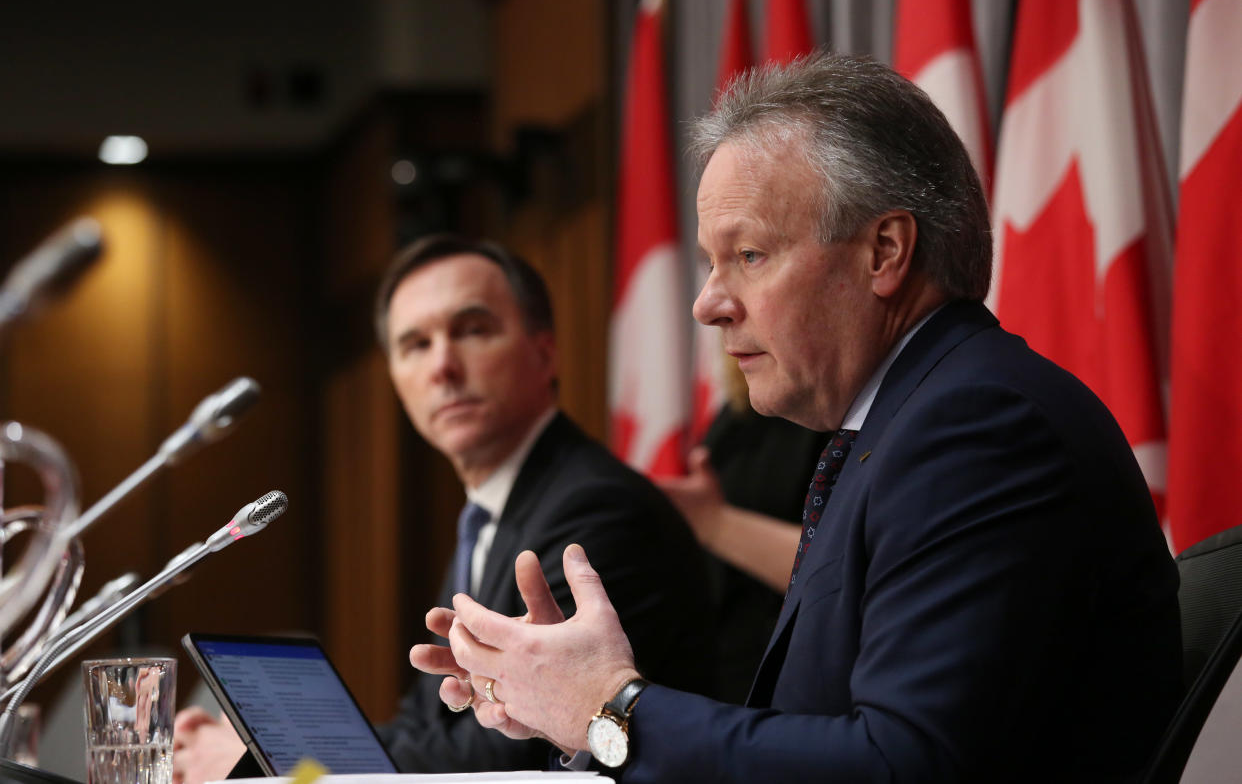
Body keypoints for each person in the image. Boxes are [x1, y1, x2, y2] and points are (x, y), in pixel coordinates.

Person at [411, 52, 1182, 782]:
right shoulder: (901, 427)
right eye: (711, 263)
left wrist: (610, 709)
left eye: (747, 255)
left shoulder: (978, 428)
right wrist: (572, 713)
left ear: (884, 251)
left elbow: (901, 765)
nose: (707, 304)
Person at [172, 235, 713, 780]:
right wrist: (275, 748)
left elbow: (513, 750)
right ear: (396, 381)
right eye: (415, 344)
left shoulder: (596, 509)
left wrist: (267, 764)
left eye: (472, 331)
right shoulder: (489, 514)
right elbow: (428, 724)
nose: (443, 367)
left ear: (544, 351)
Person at [656, 355, 828, 702]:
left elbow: (849, 563)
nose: (712, 311)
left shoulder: (836, 415)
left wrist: (716, 524)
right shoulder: (741, 411)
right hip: (725, 674)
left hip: (800, 682)